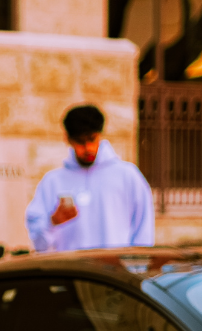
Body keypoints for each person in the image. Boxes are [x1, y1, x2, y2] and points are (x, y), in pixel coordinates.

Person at [24, 104, 154, 252]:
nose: (88, 148)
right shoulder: (52, 181)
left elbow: (144, 233)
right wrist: (53, 222)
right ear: (68, 139)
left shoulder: (128, 175)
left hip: (115, 273)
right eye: (80, 141)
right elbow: (39, 244)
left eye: (92, 139)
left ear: (100, 135)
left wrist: (136, 270)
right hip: (69, 272)